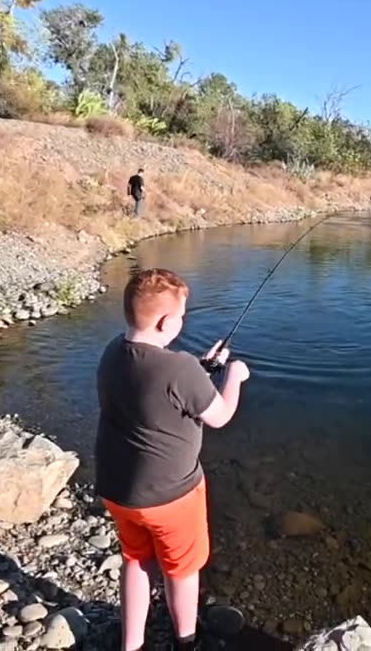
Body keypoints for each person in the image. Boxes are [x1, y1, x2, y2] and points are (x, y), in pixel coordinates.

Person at [95, 268, 250, 651]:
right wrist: (233, 376)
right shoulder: (179, 368)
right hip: (171, 497)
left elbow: (158, 386)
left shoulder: (114, 350)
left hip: (118, 491)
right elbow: (220, 416)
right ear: (167, 321)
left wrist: (203, 369)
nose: (183, 320)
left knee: (136, 558)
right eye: (182, 314)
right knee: (182, 570)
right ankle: (187, 643)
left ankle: (131, 645)